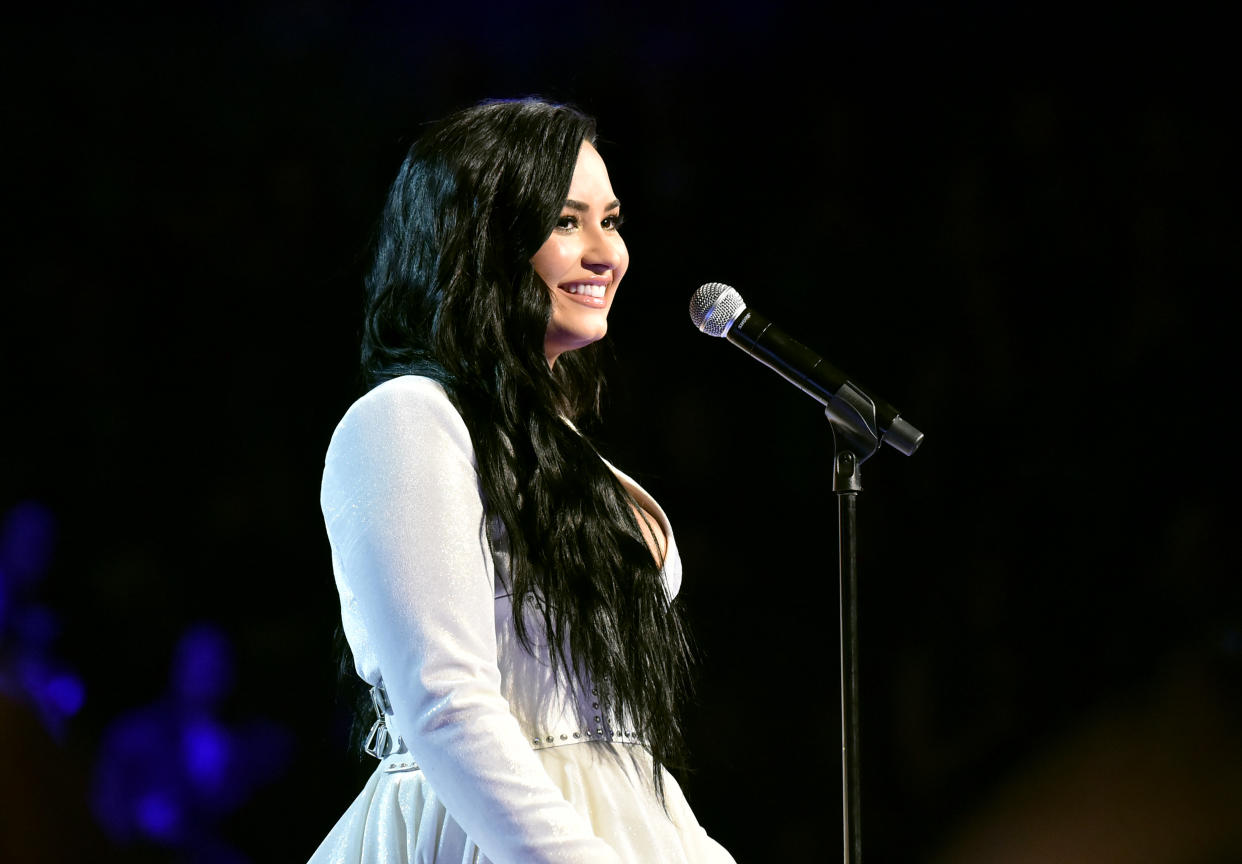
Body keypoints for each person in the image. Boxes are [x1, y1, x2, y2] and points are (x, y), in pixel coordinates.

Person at [307, 99, 736, 863]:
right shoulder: (408, 420)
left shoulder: (572, 458)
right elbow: (447, 704)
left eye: (612, 220)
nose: (607, 252)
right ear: (482, 237)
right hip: (486, 836)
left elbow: (624, 761)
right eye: (567, 221)